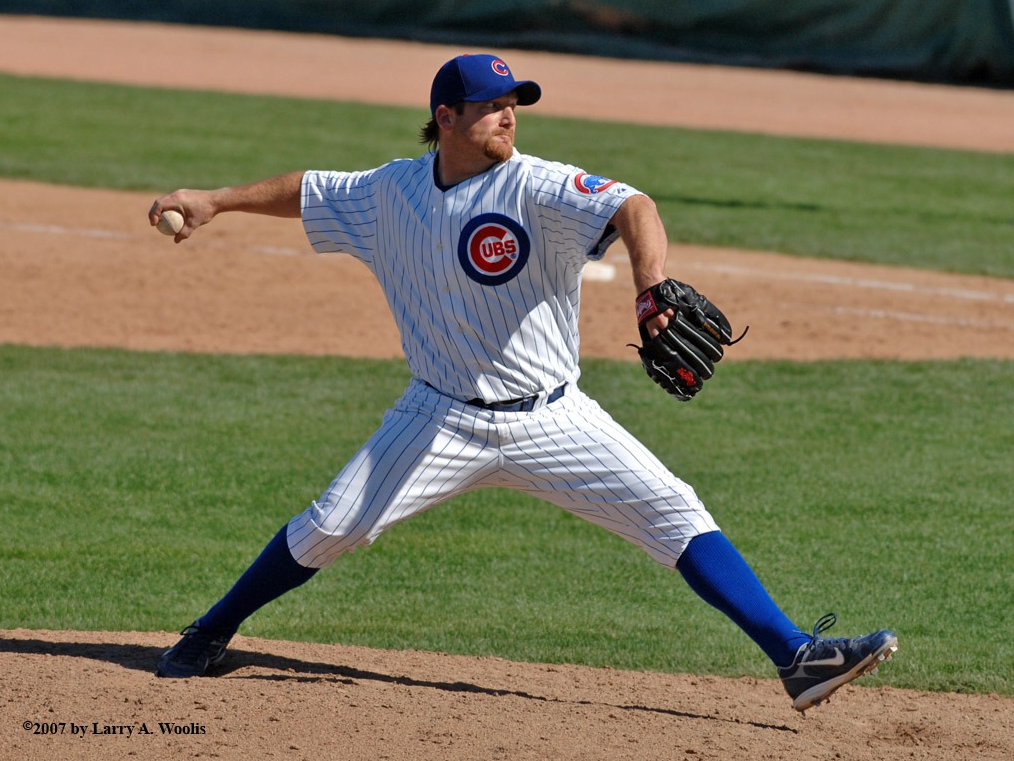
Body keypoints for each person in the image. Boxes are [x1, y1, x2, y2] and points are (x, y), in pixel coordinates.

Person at [148, 53, 896, 712]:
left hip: (555, 418)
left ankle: (797, 658)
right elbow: (308, 190)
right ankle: (210, 630)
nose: (509, 115)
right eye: (493, 105)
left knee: (674, 509)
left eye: (516, 104)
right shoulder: (389, 193)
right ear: (446, 117)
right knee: (333, 524)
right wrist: (216, 200)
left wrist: (650, 283)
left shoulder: (540, 187)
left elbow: (634, 206)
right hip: (436, 416)